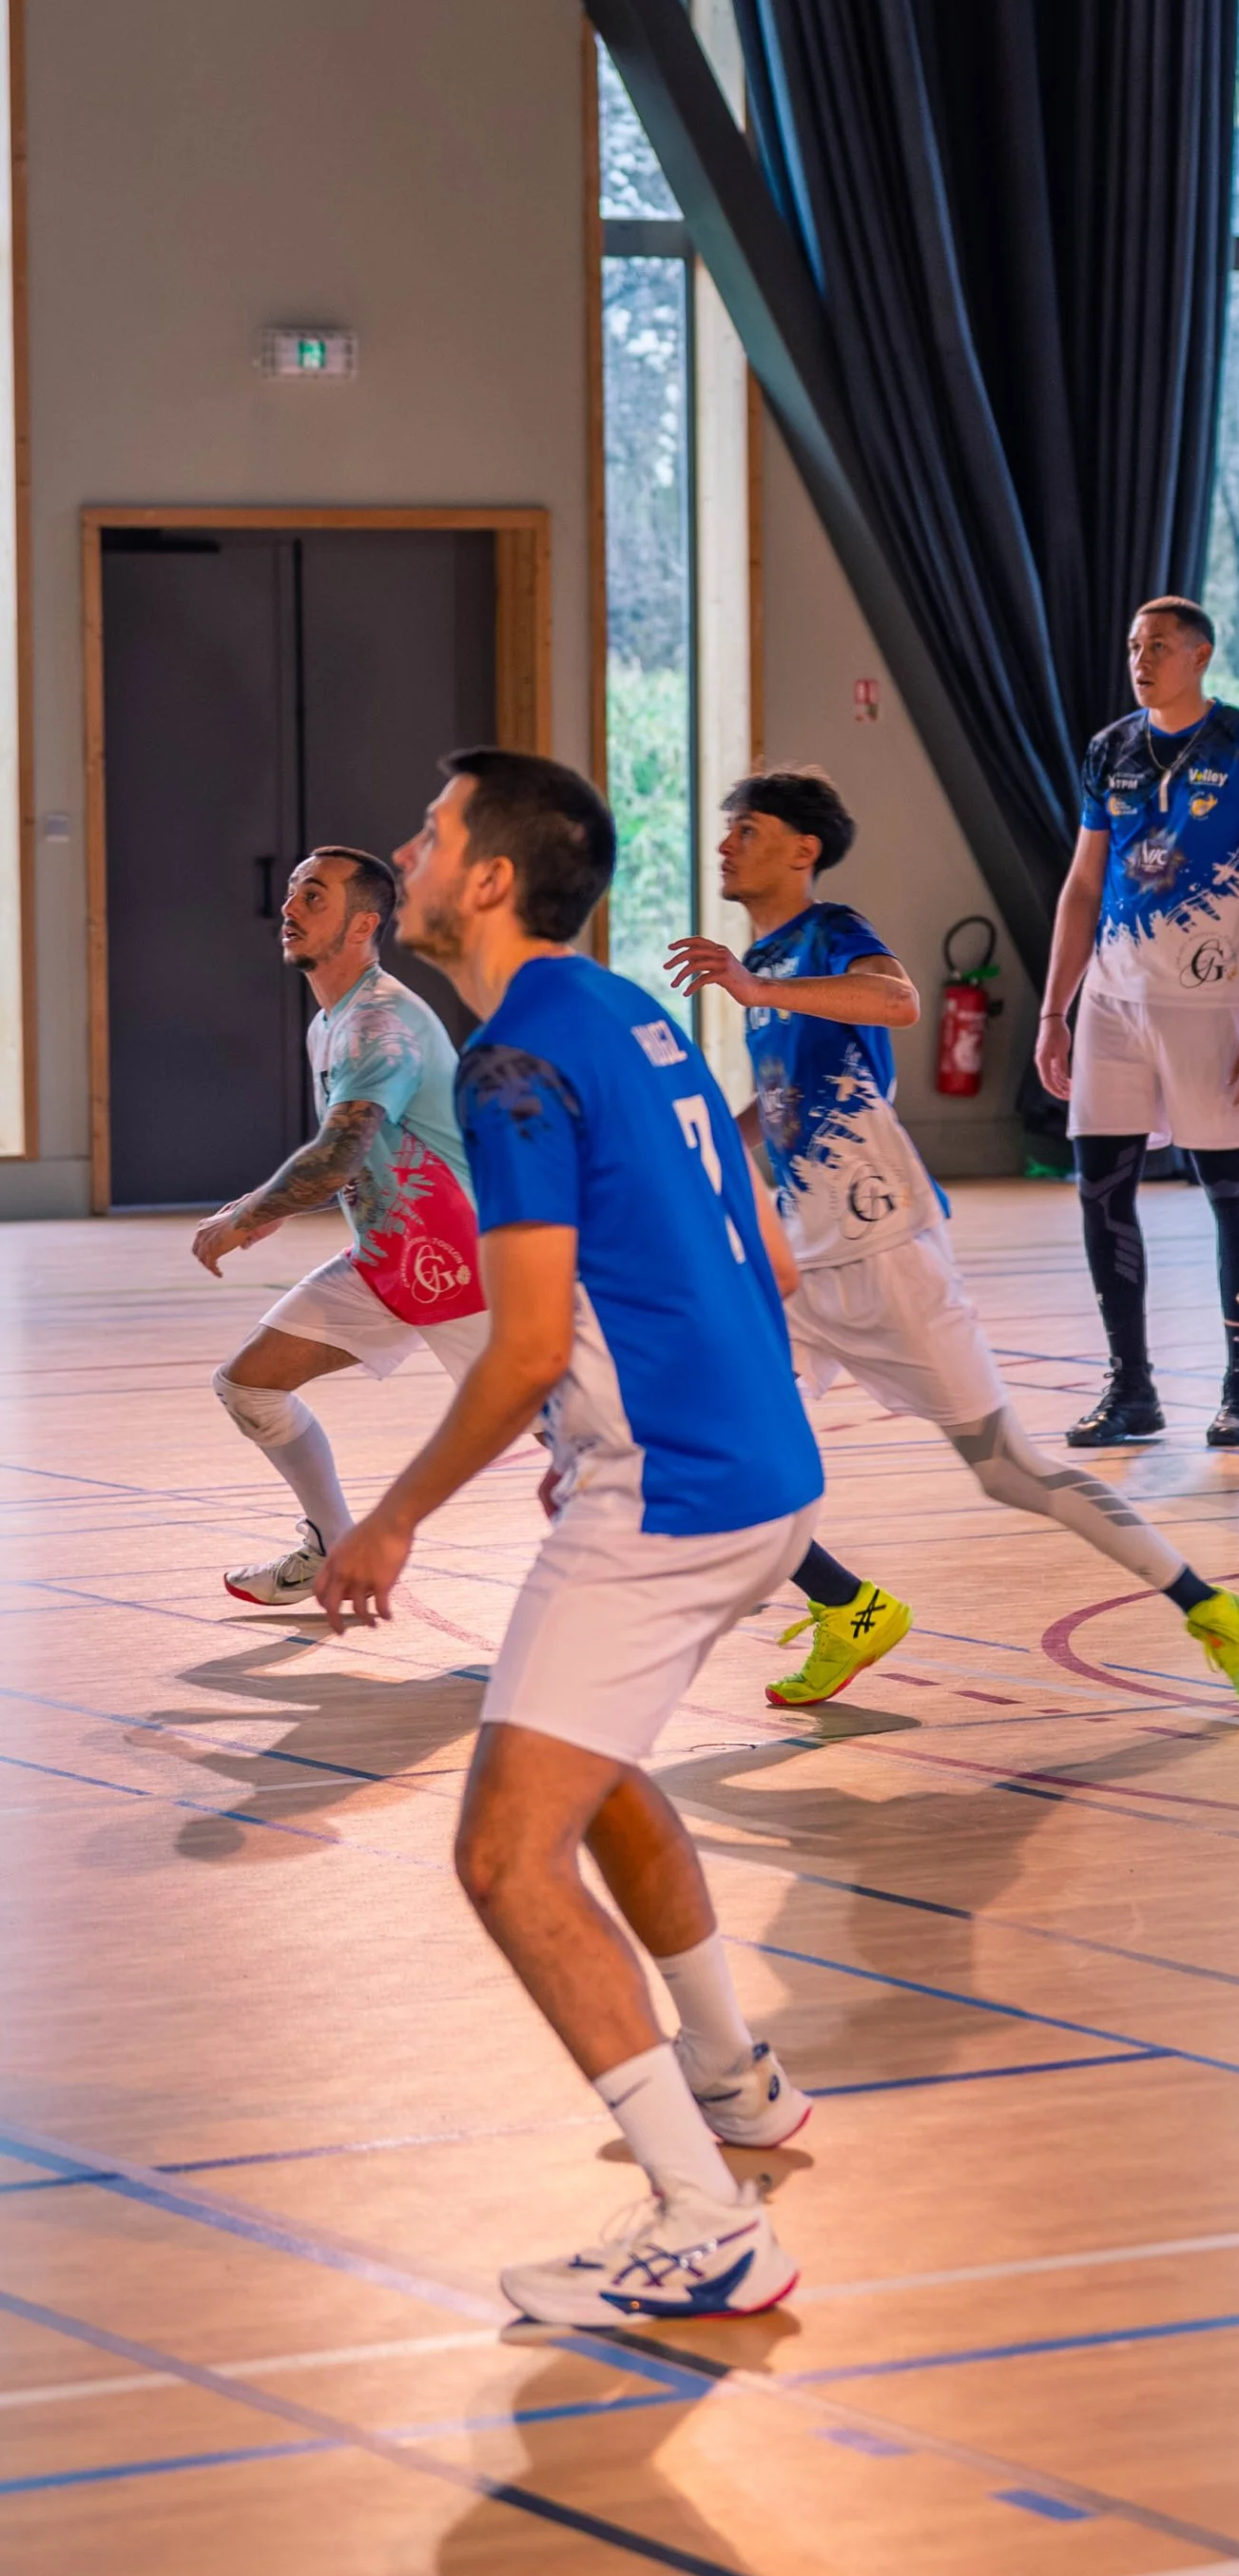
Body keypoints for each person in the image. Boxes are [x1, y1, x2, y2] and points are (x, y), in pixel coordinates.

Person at [316, 748, 821, 2325]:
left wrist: (388, 1519)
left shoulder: (513, 1063)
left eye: (430, 825)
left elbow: (523, 1345)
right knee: (584, 1767)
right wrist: (618, 1409)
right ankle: (732, 2078)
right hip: (750, 1461)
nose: (404, 844)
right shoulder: (633, 1010)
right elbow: (758, 1240)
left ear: (484, 880)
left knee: (501, 1847)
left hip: (669, 1488)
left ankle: (703, 2218)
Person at [666, 766, 1239, 1717]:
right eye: (726, 832)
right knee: (713, 1440)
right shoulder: (774, 973)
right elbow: (791, 1102)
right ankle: (849, 1608)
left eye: (745, 830)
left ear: (802, 849)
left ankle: (1215, 1612)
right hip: (801, 1263)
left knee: (1010, 1472)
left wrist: (757, 988)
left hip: (885, 1257)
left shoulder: (830, 939)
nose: (725, 846)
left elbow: (900, 1003)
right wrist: (716, 1139)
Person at [1033, 598, 1239, 1451]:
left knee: (1230, 1190)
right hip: (1113, 1003)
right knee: (1100, 1189)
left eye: (1157, 647)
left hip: (1211, 1006)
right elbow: (1082, 885)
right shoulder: (1110, 748)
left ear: (1201, 656)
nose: (1140, 659)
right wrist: (1055, 1008)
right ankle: (1132, 1390)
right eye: (1132, 645)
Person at [196, 847, 489, 1609]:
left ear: (364, 923)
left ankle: (726, 1551)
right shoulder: (334, 1020)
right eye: (291, 893)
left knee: (580, 1446)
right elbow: (362, 1162)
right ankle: (328, 1547)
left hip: (470, 1269)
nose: (290, 909)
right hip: (387, 1261)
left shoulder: (379, 1023)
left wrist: (248, 1217)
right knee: (249, 1386)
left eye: (313, 897)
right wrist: (267, 1206)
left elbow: (336, 1155)